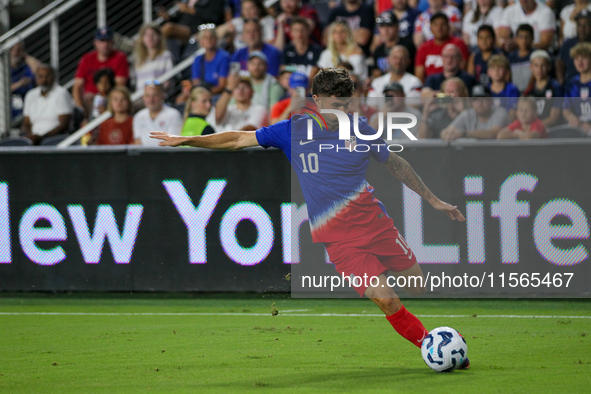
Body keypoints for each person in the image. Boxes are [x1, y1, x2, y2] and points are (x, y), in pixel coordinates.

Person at [149, 68, 469, 367]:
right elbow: (237, 139)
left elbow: (395, 163)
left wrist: (434, 200)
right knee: (387, 300)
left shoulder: (360, 129)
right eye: (334, 104)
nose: (340, 111)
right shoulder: (293, 130)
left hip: (376, 225)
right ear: (316, 100)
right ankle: (432, 345)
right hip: (340, 242)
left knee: (419, 286)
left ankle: (440, 343)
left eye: (345, 104)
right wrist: (189, 140)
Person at [73, 27, 129, 117]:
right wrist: (80, 110)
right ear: (95, 42)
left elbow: (120, 85)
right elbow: (77, 86)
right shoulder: (87, 58)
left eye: (108, 41)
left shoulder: (120, 57)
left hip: (109, 98)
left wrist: (101, 96)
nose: (105, 44)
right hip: (88, 100)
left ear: (113, 42)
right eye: (102, 41)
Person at [22, 65, 73, 145]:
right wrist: (31, 136)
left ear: (54, 77)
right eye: (41, 76)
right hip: (34, 138)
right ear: (36, 78)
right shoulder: (30, 95)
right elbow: (26, 123)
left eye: (47, 76)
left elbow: (64, 125)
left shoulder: (61, 93)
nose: (44, 80)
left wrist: (41, 137)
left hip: (55, 139)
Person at [441, 84, 510, 140]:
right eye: (476, 99)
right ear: (471, 102)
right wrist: (447, 135)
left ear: (491, 100)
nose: (480, 103)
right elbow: (445, 131)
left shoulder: (500, 112)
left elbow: (492, 133)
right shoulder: (468, 114)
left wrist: (464, 133)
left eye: (483, 99)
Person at [414, 12, 469, 82]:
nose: (439, 28)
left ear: (448, 26)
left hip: (454, 83)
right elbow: (419, 76)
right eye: (436, 25)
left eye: (443, 24)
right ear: (430, 28)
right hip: (431, 86)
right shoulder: (423, 48)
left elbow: (462, 68)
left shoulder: (458, 44)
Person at [133, 81, 183, 146]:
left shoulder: (173, 115)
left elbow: (173, 143)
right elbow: (138, 142)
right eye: (147, 95)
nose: (151, 99)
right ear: (143, 97)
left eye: (155, 95)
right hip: (144, 155)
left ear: (162, 96)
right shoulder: (138, 116)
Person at [524, 50, 563, 129]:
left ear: (549, 66)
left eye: (543, 65)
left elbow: (554, 118)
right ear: (531, 67)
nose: (539, 69)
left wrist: (534, 127)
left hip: (551, 130)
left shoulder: (556, 88)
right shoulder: (529, 91)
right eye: (536, 65)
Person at [159, 0, 225, 44]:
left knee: (169, 28)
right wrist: (168, 17)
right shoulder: (188, 1)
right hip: (182, 27)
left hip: (195, 30)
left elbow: (215, 17)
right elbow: (179, 18)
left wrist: (192, 10)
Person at [133, 24, 174, 93]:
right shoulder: (138, 59)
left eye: (153, 34)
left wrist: (155, 93)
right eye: (146, 35)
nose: (150, 38)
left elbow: (168, 80)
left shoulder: (166, 55)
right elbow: (136, 82)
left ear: (159, 37)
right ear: (142, 39)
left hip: (158, 95)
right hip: (140, 97)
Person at [192, 26, 231, 95]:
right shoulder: (198, 59)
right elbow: (196, 82)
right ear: (201, 42)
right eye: (205, 38)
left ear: (216, 39)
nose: (209, 40)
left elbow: (222, 85)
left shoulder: (224, 57)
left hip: (217, 95)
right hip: (202, 94)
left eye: (211, 37)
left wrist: (205, 94)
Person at [563, 42, 591, 135]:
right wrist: (571, 118)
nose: (580, 62)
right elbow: (566, 109)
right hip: (578, 126)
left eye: (583, 57)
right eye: (576, 58)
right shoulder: (571, 83)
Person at [557, 10, 591, 85]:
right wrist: (560, 80)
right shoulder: (568, 43)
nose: (582, 28)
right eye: (579, 25)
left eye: (586, 25)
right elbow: (559, 62)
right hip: (571, 84)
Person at [487, 54, 520, 121]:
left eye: (500, 68)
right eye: (493, 68)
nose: (496, 71)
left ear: (506, 71)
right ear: (488, 72)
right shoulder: (486, 90)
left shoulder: (512, 90)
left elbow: (513, 113)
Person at [10, 42, 35, 122]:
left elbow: (39, 69)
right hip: (7, 114)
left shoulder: (26, 67)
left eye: (19, 50)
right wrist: (19, 84)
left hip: (25, 112)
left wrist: (25, 56)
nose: (15, 52)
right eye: (13, 49)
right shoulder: (3, 68)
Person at [508, 24, 534, 93]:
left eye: (527, 37)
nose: (524, 40)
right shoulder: (511, 57)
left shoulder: (535, 56)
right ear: (516, 39)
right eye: (521, 37)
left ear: (532, 38)